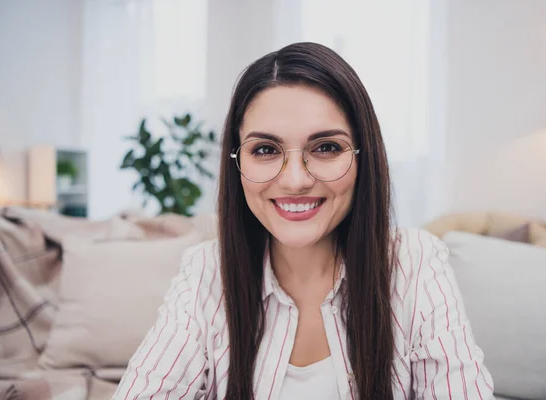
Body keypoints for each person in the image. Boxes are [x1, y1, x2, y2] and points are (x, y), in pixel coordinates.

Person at [113, 42, 495, 400]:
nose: (295, 180)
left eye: (326, 147)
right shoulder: (205, 272)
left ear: (364, 158)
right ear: (237, 163)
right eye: (265, 149)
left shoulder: (414, 262)